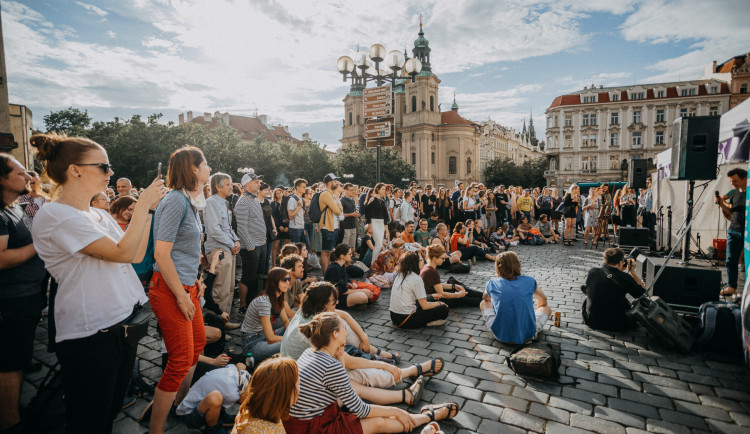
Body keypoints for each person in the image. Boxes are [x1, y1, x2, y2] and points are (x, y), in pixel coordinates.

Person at [29, 134, 165, 433]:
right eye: (104, 166)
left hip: (120, 324)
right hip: (91, 333)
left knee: (111, 409)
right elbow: (123, 252)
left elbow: (135, 255)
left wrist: (150, 210)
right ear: (76, 170)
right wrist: (142, 205)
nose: (111, 173)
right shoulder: (56, 214)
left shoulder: (98, 214)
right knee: (89, 418)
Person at [285, 312, 459, 433]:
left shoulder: (312, 352)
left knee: (356, 388)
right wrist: (398, 412)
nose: (346, 331)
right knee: (378, 423)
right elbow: (361, 410)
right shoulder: (331, 365)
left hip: (302, 419)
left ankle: (409, 398)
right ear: (335, 334)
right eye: (343, 328)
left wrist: (340, 354)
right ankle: (427, 416)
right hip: (311, 427)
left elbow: (339, 378)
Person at [149, 146, 211, 434]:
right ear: (194, 169)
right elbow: (162, 255)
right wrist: (181, 295)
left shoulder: (189, 200)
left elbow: (184, 252)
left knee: (197, 345)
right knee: (179, 361)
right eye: (206, 164)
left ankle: (180, 404)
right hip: (172, 290)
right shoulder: (175, 201)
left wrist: (196, 279)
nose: (209, 169)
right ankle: (157, 429)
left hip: (188, 287)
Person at [0, 155, 46, 434]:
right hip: (10, 300)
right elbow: (1, 258)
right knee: (8, 364)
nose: (28, 177)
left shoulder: (13, 207)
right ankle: (10, 422)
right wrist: (37, 245)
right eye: (20, 173)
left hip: (26, 295)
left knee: (17, 359)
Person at [481, 251, 552, 345]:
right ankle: (528, 321)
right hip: (528, 335)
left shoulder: (492, 283)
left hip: (500, 335)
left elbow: (485, 297)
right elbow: (543, 301)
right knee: (546, 308)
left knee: (483, 303)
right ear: (518, 264)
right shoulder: (530, 281)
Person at [204, 173, 241, 317]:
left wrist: (236, 240)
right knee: (221, 289)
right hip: (218, 249)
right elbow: (214, 230)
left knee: (229, 287)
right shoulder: (212, 202)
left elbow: (228, 227)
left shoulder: (225, 203)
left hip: (228, 248)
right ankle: (217, 323)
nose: (231, 187)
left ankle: (224, 319)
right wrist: (232, 243)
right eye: (228, 184)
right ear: (217, 187)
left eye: (231, 184)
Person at [176, 363, 251, 434]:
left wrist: (242, 370)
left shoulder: (233, 370)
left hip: (192, 402)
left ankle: (220, 416)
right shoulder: (233, 395)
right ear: (245, 394)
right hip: (188, 415)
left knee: (220, 395)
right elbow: (231, 399)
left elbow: (236, 365)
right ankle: (213, 429)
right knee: (216, 398)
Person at [582, 248, 646, 332]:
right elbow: (643, 293)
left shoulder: (592, 271)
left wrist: (618, 270)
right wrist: (632, 272)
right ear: (620, 263)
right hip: (616, 325)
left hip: (591, 320)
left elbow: (608, 276)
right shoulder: (625, 278)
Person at [233, 357, 299, 434]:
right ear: (282, 393)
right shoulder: (270, 431)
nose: (299, 389)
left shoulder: (248, 410)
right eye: (298, 384)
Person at [241, 267, 291, 364]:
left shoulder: (278, 298)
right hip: (252, 344)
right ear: (274, 282)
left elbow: (285, 321)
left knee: (296, 329)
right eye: (284, 280)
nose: (287, 282)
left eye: (289, 279)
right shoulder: (264, 301)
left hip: (262, 336)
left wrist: (293, 333)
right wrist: (293, 339)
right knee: (288, 345)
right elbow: (271, 338)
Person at [234, 169, 267, 312]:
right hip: (251, 246)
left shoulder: (254, 199)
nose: (259, 184)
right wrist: (250, 247)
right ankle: (243, 306)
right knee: (248, 277)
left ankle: (253, 304)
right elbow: (241, 228)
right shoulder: (243, 202)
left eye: (259, 182)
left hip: (261, 243)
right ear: (247, 184)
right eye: (256, 182)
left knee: (258, 278)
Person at [390, 251, 450, 328]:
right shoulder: (416, 279)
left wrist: (431, 297)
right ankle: (427, 322)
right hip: (406, 319)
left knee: (430, 299)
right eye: (421, 260)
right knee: (444, 309)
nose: (423, 262)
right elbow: (425, 306)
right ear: (415, 263)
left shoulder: (400, 274)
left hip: (394, 316)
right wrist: (440, 303)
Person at [716, 168, 747, 297]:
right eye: (731, 181)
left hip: (747, 231)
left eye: (735, 181)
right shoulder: (733, 193)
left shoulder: (749, 193)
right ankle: (731, 287)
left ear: (745, 178)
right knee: (730, 260)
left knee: (746, 262)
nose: (732, 183)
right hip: (734, 230)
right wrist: (721, 203)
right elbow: (730, 212)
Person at [324, 244, 380, 308]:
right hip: (335, 299)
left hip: (341, 293)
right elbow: (343, 291)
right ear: (342, 256)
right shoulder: (334, 268)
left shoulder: (341, 265)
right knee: (363, 296)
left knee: (371, 289)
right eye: (349, 254)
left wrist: (350, 283)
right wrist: (362, 290)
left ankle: (357, 302)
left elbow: (344, 281)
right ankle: (356, 303)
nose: (351, 255)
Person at [318, 173, 343, 273]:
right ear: (329, 183)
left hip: (333, 226)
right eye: (334, 181)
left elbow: (339, 209)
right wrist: (338, 207)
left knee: (329, 251)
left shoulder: (331, 194)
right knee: (325, 252)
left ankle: (328, 273)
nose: (336, 183)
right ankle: (325, 275)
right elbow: (338, 211)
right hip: (327, 226)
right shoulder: (325, 194)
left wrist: (338, 207)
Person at [364, 182, 388, 262]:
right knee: (379, 244)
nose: (384, 191)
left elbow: (385, 214)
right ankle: (373, 265)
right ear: (377, 189)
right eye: (382, 189)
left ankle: (376, 264)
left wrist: (386, 227)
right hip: (374, 222)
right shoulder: (372, 199)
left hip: (381, 223)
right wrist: (370, 226)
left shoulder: (382, 201)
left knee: (379, 244)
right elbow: (368, 213)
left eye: (385, 189)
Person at [340, 182, 359, 251]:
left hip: (353, 224)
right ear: (345, 190)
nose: (352, 191)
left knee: (352, 242)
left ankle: (351, 256)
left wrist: (356, 214)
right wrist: (352, 214)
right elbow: (340, 214)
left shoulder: (352, 200)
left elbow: (354, 211)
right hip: (345, 225)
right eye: (351, 190)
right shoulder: (342, 200)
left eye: (353, 190)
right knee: (345, 244)